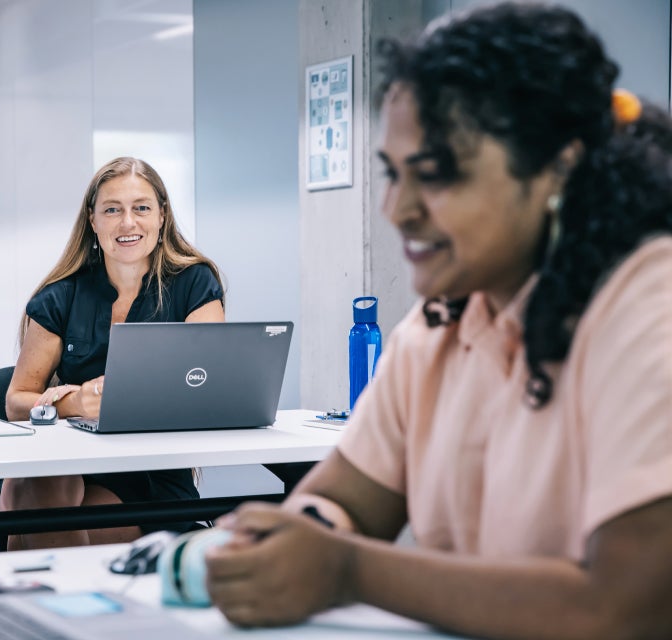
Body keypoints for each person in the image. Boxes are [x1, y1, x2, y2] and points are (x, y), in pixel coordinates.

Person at [203, 5, 672, 636]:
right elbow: (344, 499)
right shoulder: (439, 326)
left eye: (436, 175)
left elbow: (628, 608)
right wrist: (297, 537)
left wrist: (347, 571)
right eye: (392, 175)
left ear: (558, 166)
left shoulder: (650, 305)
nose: (397, 209)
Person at [0, 156, 225, 551]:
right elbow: (16, 401)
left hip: (153, 475)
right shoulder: (61, 294)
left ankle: (44, 602)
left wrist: (127, 401)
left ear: (162, 216)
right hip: (78, 462)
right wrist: (75, 403)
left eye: (141, 208)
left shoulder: (194, 283)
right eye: (112, 210)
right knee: (40, 485)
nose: (127, 223)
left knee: (32, 511)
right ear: (92, 220)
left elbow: (212, 387)